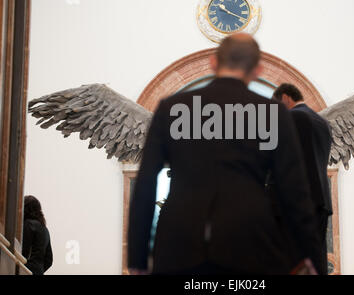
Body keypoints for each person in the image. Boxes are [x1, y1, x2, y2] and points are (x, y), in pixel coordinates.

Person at [128, 33, 320, 275]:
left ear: (213, 63)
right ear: (258, 70)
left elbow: (145, 184)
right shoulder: (273, 112)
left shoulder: (172, 108)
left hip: (179, 244)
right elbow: (294, 192)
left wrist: (137, 261)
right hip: (250, 242)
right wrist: (309, 257)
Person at [273, 83, 333, 275]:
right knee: (317, 260)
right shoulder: (322, 123)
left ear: (285, 98)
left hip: (298, 201)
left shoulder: (292, 117)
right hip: (322, 201)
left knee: (295, 259)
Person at [22, 195, 53, 275]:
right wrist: (39, 269)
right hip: (38, 271)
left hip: (26, 270)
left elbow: (24, 250)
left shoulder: (28, 224)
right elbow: (49, 260)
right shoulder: (45, 230)